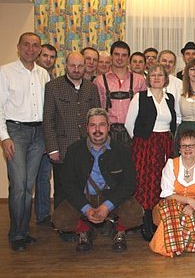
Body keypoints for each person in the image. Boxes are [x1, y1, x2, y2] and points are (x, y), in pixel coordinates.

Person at [52, 108, 142, 252]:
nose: (97, 129)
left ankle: (118, 230)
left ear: (108, 127)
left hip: (112, 197)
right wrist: (86, 209)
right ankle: (85, 230)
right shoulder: (74, 150)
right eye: (93, 125)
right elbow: (68, 183)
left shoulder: (122, 150)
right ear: (87, 128)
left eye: (101, 125)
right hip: (84, 196)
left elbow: (129, 183)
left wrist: (107, 206)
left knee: (135, 215)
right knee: (59, 220)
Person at [0, 32, 50, 251]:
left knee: (28, 185)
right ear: (19, 47)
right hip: (16, 133)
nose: (31, 49)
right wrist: (4, 137)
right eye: (26, 45)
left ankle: (24, 231)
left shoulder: (43, 74)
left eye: (35, 45)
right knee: (19, 186)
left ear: (39, 49)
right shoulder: (5, 72)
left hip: (38, 134)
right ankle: (16, 234)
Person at [43, 51, 101, 217]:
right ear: (65, 65)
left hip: (86, 148)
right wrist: (52, 148)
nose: (76, 69)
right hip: (62, 148)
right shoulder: (53, 87)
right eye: (72, 65)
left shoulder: (91, 88)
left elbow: (97, 118)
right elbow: (48, 120)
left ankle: (84, 225)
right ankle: (63, 225)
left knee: (85, 187)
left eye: (80, 66)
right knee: (63, 188)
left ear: (85, 67)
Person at [125, 63, 177, 241]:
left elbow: (173, 124)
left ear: (165, 79)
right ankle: (146, 222)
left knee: (163, 182)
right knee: (146, 183)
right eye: (153, 75)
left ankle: (159, 220)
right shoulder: (139, 97)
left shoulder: (170, 98)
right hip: (146, 145)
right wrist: (141, 142)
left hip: (165, 144)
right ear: (148, 78)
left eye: (160, 75)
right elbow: (129, 124)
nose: (156, 78)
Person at [149, 129, 195, 257]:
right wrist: (188, 201)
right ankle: (172, 247)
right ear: (179, 149)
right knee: (171, 213)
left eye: (192, 145)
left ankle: (186, 246)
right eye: (184, 146)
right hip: (173, 202)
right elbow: (167, 193)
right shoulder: (171, 164)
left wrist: (192, 206)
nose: (188, 149)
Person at [93, 41, 147, 146]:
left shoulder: (139, 80)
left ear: (128, 58)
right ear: (111, 57)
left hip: (133, 134)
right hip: (107, 134)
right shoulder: (99, 81)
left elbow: (144, 110)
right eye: (116, 54)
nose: (120, 58)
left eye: (124, 55)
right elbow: (96, 109)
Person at [34, 43, 57, 226]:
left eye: (51, 56)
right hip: (33, 132)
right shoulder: (34, 78)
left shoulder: (53, 79)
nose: (48, 59)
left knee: (44, 176)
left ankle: (44, 215)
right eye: (45, 56)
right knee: (26, 179)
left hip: (51, 134)